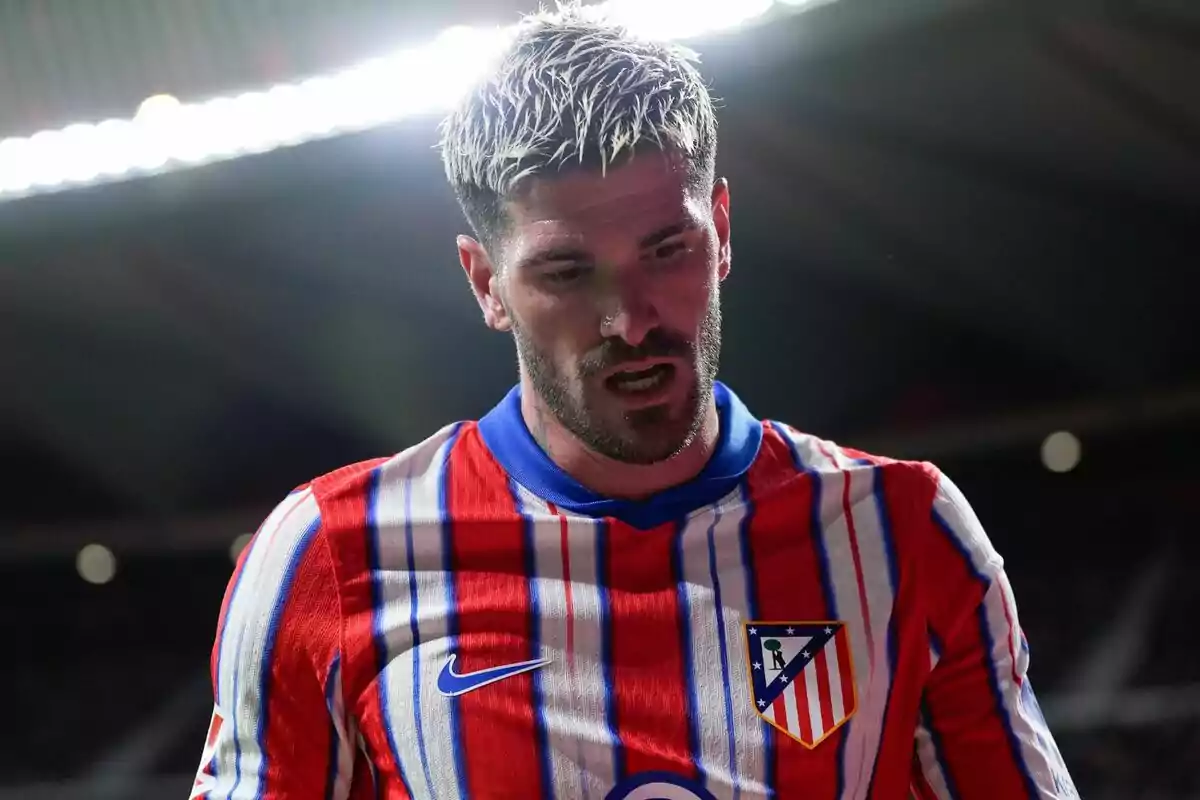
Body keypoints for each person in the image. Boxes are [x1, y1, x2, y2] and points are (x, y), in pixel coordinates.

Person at [192, 6, 1078, 799]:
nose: (630, 319)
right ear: (485, 284)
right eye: (566, 272)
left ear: (721, 233)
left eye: (666, 250)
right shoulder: (328, 557)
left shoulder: (905, 531)